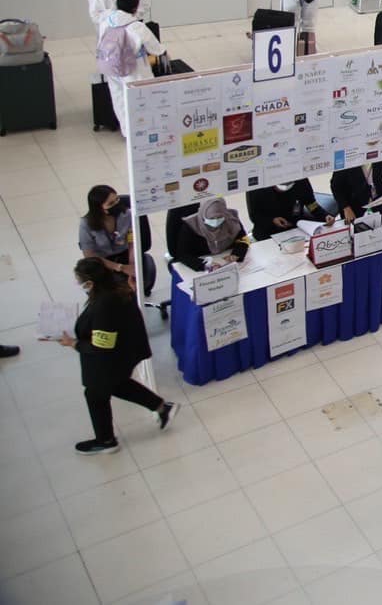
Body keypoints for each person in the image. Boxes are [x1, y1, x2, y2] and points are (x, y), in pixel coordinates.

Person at [60, 257, 177, 455]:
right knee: (118, 384)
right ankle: (161, 407)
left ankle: (106, 440)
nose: (79, 286)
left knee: (95, 395)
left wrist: (74, 343)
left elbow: (102, 346)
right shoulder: (117, 287)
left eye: (80, 282)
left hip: (110, 359)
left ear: (90, 283)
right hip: (125, 353)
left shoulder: (104, 304)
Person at [95, 0, 167, 138]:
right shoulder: (136, 26)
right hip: (133, 68)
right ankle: (143, 132)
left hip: (110, 66)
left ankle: (127, 133)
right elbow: (155, 48)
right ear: (134, 9)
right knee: (142, 99)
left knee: (119, 99)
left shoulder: (106, 22)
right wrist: (163, 52)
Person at [77, 185, 141, 284]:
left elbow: (131, 242)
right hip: (101, 261)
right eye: (111, 203)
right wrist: (120, 267)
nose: (117, 204)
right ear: (99, 208)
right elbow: (89, 255)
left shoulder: (127, 215)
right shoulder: (86, 224)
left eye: (117, 199)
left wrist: (132, 266)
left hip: (124, 254)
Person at [173, 198, 251, 272]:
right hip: (202, 265)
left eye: (219, 217)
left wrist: (237, 254)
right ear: (204, 216)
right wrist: (205, 265)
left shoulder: (231, 219)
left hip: (228, 261)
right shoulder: (190, 226)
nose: (216, 221)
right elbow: (182, 254)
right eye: (212, 218)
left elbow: (243, 239)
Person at [246, 180, 331, 241]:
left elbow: (311, 204)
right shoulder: (257, 188)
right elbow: (255, 216)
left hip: (297, 228)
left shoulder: (301, 181)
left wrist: (324, 215)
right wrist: (272, 220)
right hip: (268, 232)